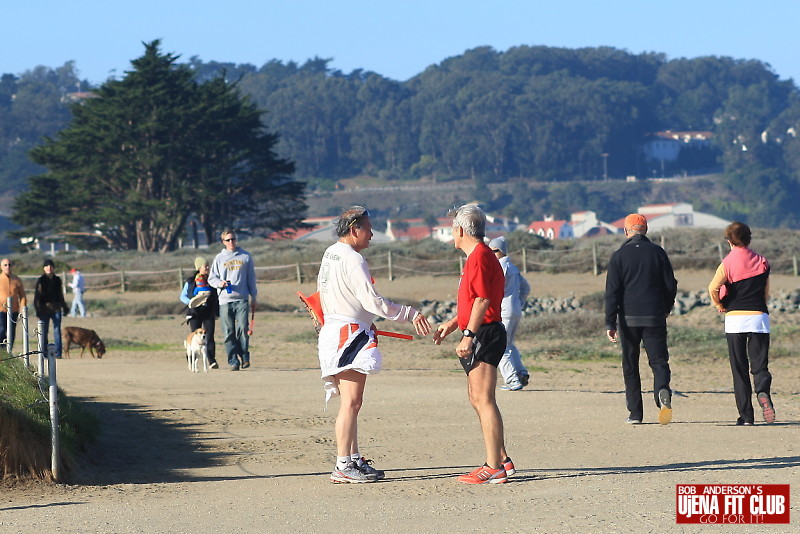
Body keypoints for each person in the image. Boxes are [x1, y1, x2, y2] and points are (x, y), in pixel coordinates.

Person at [317, 206, 430, 483]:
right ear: (354, 230)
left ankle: (353, 459)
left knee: (351, 402)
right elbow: (373, 302)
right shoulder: (352, 259)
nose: (372, 234)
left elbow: (330, 294)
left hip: (338, 330)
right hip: (347, 335)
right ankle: (343, 465)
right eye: (368, 228)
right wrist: (409, 313)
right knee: (352, 403)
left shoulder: (331, 253)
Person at [433, 204, 513, 484]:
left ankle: (494, 467)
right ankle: (501, 458)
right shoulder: (478, 256)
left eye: (452, 229)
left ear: (460, 230)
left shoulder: (479, 256)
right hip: (481, 329)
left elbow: (482, 301)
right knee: (476, 398)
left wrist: (468, 335)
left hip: (485, 333)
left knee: (484, 399)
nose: (451, 234)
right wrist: (453, 323)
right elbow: (475, 299)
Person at [604, 214, 677, 425]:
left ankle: (635, 413)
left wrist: (610, 322)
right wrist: (666, 307)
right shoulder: (658, 253)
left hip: (628, 318)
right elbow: (670, 284)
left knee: (630, 364)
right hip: (654, 315)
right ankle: (662, 390)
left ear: (626, 231)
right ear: (645, 230)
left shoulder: (619, 255)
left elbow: (612, 292)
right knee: (659, 361)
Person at [708, 222, 775, 426]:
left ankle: (746, 417)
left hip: (735, 319)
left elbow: (713, 287)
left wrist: (719, 304)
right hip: (758, 317)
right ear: (749, 239)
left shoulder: (727, 263)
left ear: (729, 241)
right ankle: (762, 391)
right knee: (759, 365)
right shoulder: (762, 261)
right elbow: (765, 293)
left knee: (739, 368)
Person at [208, 230, 257, 371]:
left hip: (242, 298)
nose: (231, 242)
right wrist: (220, 283)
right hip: (224, 300)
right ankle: (233, 360)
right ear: (223, 242)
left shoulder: (245, 256)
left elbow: (251, 278)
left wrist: (254, 296)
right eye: (228, 240)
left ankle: (245, 356)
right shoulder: (219, 258)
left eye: (233, 239)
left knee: (243, 328)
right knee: (229, 331)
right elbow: (212, 278)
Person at [488, 236, 531, 391]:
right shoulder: (513, 267)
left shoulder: (499, 267)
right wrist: (519, 302)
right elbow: (526, 288)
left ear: (501, 251)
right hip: (515, 309)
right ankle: (521, 372)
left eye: (494, 251)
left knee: (500, 346)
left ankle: (512, 380)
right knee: (509, 344)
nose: (491, 254)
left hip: (504, 310)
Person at [180, 256, 219, 369]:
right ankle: (193, 359)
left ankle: (211, 360)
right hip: (194, 313)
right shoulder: (191, 281)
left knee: (209, 335)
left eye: (208, 266)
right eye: (205, 266)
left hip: (208, 312)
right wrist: (191, 302)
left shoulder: (212, 280)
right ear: (199, 268)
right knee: (195, 337)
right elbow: (183, 296)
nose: (207, 268)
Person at [34, 258, 68, 358]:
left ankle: (58, 353)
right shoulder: (41, 280)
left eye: (51, 266)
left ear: (53, 268)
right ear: (44, 268)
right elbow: (37, 296)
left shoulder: (57, 280)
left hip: (56, 308)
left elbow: (60, 295)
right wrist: (37, 309)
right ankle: (44, 353)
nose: (49, 268)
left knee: (57, 330)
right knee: (44, 331)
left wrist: (65, 307)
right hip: (44, 309)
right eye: (47, 266)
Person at [0, 258, 27, 354]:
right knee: (2, 329)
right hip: (1, 310)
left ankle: (8, 351)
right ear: (1, 267)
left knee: (11, 331)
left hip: (14, 310)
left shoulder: (17, 279)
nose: (7, 267)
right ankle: (1, 352)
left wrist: (23, 307)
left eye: (9, 265)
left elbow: (22, 295)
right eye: (5, 265)